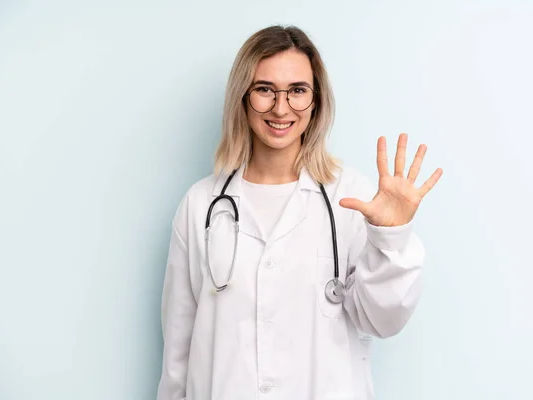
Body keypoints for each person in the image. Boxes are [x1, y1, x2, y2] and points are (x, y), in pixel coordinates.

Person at [157, 25, 442, 400]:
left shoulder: (351, 197)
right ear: (242, 98)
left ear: (316, 101)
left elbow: (383, 320)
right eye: (264, 90)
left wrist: (392, 237)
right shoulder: (200, 206)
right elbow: (179, 351)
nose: (280, 107)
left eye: (297, 91)